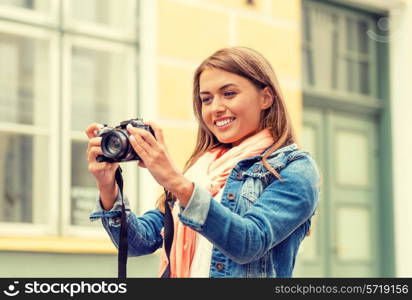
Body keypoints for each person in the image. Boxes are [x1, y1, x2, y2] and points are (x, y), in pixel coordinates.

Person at [87, 47, 320, 278]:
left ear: (266, 98)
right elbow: (140, 242)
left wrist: (175, 181)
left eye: (229, 94)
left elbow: (249, 242)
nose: (215, 108)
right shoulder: (202, 170)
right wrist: (108, 186)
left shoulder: (294, 168)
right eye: (206, 99)